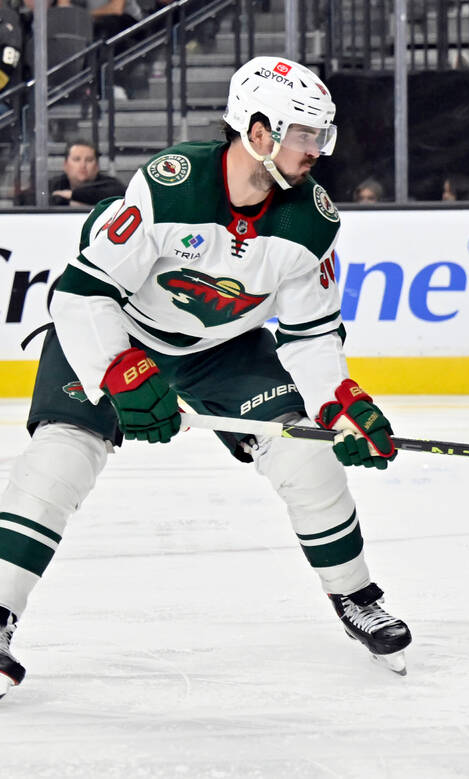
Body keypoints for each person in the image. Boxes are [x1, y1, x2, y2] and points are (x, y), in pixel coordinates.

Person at [0, 56, 412, 701]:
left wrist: (339, 403)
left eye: (320, 134)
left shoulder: (314, 221)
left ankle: (356, 595)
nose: (316, 150)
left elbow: (309, 335)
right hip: (119, 333)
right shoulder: (172, 186)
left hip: (221, 350)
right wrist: (119, 370)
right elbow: (81, 294)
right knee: (58, 463)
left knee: (308, 460)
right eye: (304, 133)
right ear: (256, 132)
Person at [15, 140, 126, 207]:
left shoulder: (110, 184)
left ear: (97, 166)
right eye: (77, 159)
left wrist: (72, 195)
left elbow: (119, 195)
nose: (83, 165)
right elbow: (25, 198)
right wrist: (70, 203)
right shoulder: (54, 184)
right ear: (65, 165)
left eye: (89, 160)